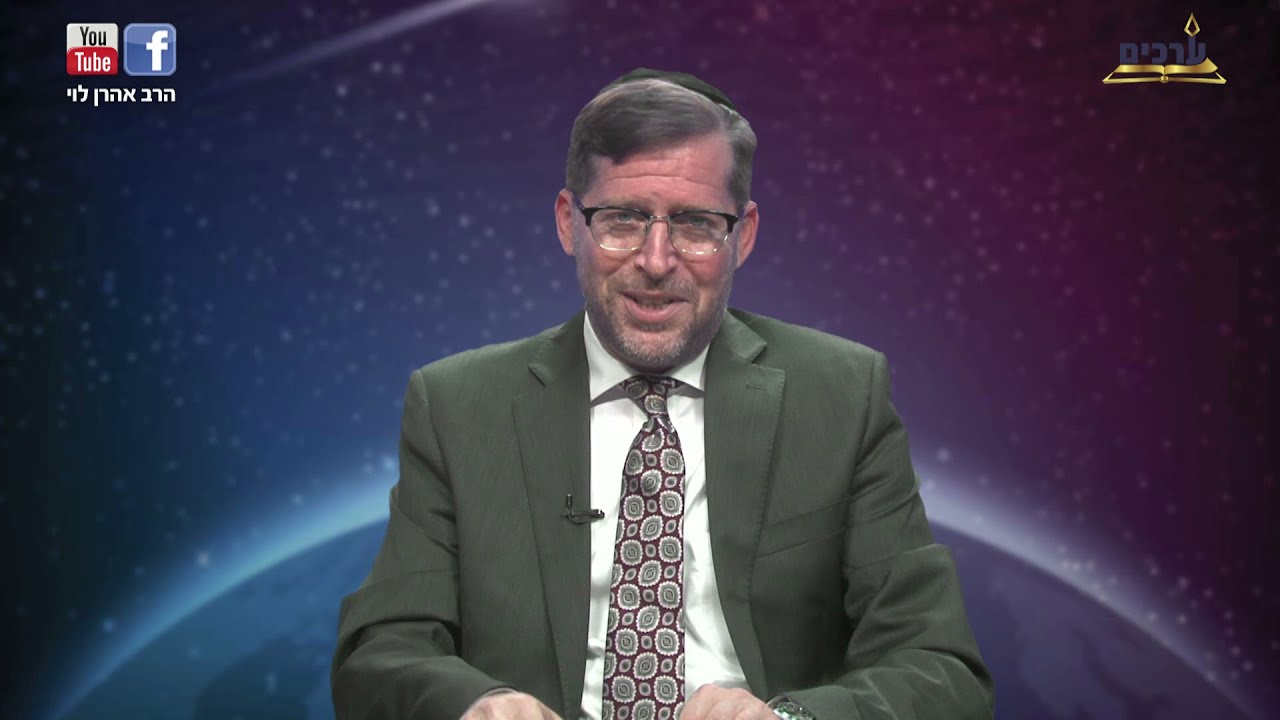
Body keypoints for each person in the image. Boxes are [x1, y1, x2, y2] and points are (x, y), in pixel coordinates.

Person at [331, 68, 994, 720]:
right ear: (568, 223)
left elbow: (940, 669)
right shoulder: (456, 406)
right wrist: (475, 706)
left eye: (695, 224)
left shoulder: (842, 394)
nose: (655, 260)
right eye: (622, 220)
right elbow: (381, 651)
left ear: (743, 235)